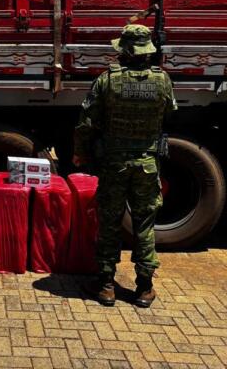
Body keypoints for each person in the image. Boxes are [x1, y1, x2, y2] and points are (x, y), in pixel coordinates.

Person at [72, 24, 176, 308]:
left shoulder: (107, 80)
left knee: (109, 222)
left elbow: (86, 123)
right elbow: (169, 112)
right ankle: (144, 287)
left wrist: (80, 153)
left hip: (114, 163)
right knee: (145, 223)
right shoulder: (162, 80)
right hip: (147, 164)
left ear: (126, 51)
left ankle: (106, 285)